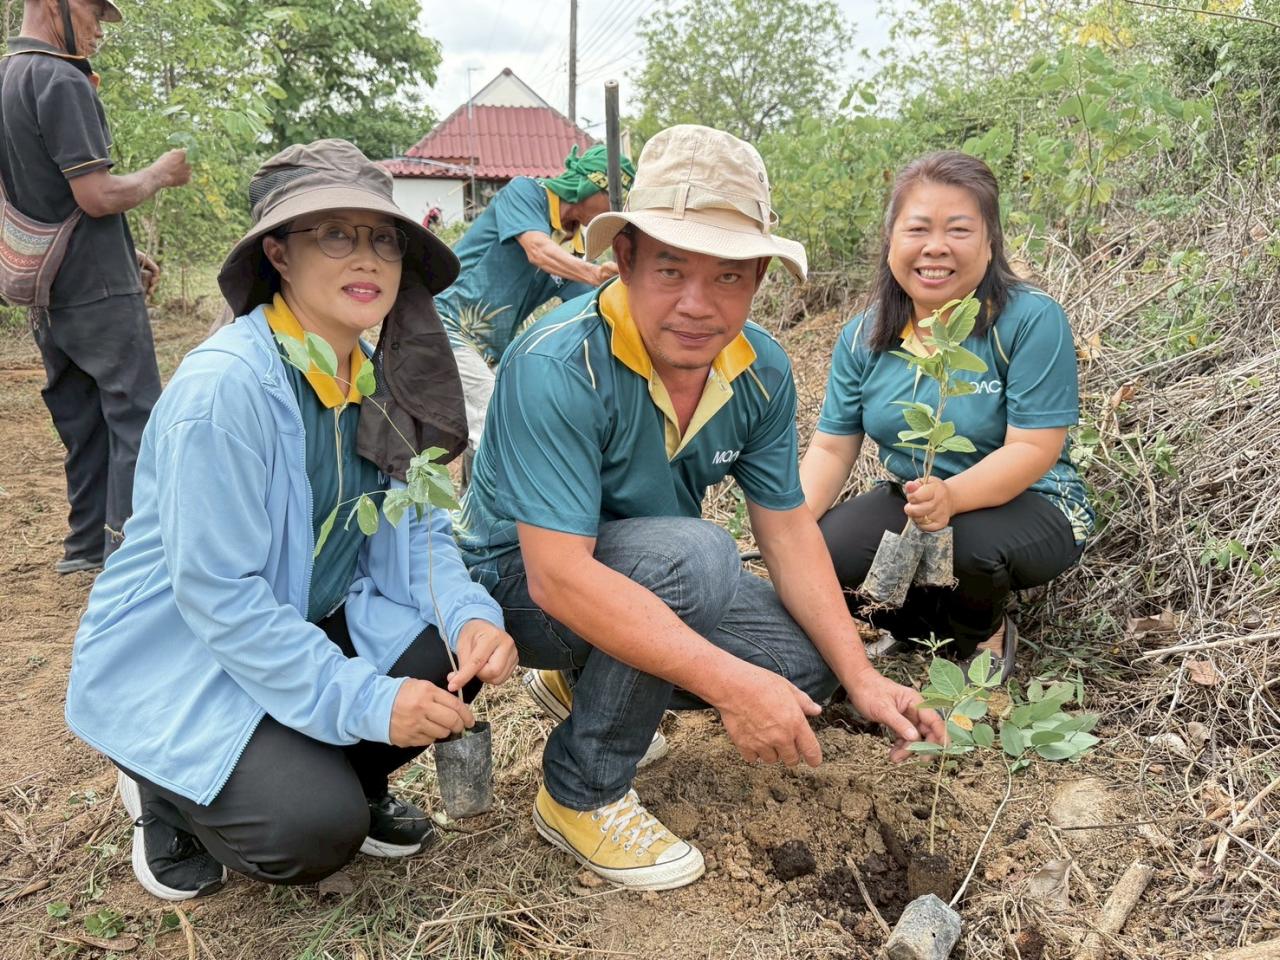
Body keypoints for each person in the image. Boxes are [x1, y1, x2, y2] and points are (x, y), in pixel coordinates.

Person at [458, 125, 945, 891]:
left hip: (647, 567)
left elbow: (786, 531)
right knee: (698, 557)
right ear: (625, 259)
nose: (696, 305)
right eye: (671, 270)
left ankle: (587, 686)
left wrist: (862, 676)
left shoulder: (761, 370)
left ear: (758, 280)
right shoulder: (558, 361)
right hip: (517, 582)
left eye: (728, 278)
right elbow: (557, 578)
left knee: (803, 671)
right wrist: (729, 687)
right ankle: (581, 791)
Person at [64, 140, 517, 902]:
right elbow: (221, 600)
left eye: (381, 238)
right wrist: (371, 702)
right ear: (277, 252)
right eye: (334, 235)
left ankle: (336, 774)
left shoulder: (376, 379)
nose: (365, 258)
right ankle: (162, 786)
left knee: (453, 650)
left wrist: (473, 614)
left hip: (293, 628)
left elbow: (418, 538)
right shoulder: (229, 392)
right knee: (310, 829)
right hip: (186, 656)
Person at [800, 151, 1094, 681]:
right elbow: (831, 447)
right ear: (892, 240)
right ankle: (918, 631)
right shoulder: (864, 336)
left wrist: (954, 498)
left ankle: (982, 635)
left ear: (989, 242)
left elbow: (1034, 448)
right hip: (918, 497)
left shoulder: (1030, 319)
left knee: (970, 546)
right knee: (823, 556)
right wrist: (790, 529)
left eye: (959, 229)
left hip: (1033, 500)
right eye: (917, 229)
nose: (935, 247)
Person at [0, 0, 192, 572]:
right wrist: (161, 173)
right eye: (92, 11)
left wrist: (123, 247)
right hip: (97, 290)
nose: (99, 28)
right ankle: (129, 558)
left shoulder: (10, 77)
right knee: (136, 420)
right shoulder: (61, 80)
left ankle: (85, 547)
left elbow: (43, 192)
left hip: (51, 288)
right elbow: (96, 193)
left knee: (82, 419)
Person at [435, 143, 636, 449]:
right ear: (592, 186)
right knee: (499, 421)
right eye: (615, 202)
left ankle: (471, 496)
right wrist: (594, 273)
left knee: (482, 430)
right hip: (445, 324)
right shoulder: (526, 194)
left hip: (489, 353)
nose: (616, 216)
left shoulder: (577, 250)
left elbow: (596, 307)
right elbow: (538, 250)